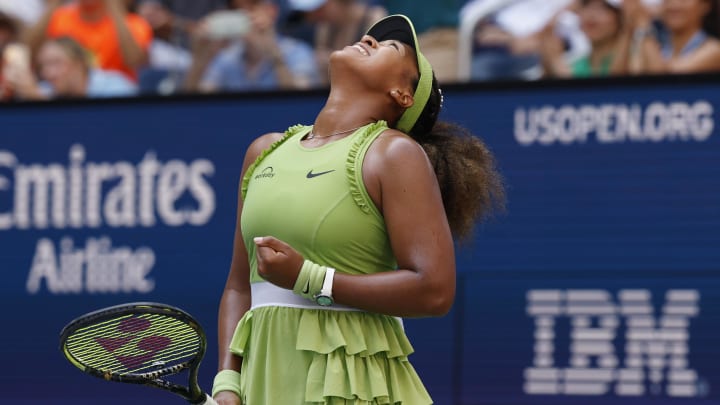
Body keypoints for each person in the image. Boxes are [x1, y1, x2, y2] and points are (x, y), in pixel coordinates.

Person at [211, 14, 505, 405]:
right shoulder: (264, 151)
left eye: (391, 46)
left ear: (402, 94)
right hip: (263, 383)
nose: (370, 39)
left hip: (354, 385)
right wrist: (228, 382)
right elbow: (239, 285)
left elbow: (434, 291)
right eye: (373, 36)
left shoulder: (394, 154)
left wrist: (310, 278)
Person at [184, 0, 320, 92]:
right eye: (235, 8)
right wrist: (199, 60)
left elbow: (300, 104)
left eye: (251, 5)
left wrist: (274, 54)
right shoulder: (226, 59)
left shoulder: (299, 52)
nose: (244, 12)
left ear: (271, 10)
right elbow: (195, 104)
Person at [25, 0, 153, 81]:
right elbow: (28, 52)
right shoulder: (60, 18)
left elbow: (135, 62)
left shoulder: (135, 23)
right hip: (69, 96)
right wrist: (53, 5)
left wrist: (116, 7)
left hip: (117, 99)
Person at [285, 0, 387, 85]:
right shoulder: (324, 27)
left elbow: (377, 71)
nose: (312, 17)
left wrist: (334, 61)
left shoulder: (374, 18)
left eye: (319, 9)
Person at [5, 36, 137, 100]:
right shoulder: (46, 90)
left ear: (79, 63)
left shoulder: (116, 86)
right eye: (43, 66)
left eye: (55, 63)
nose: (47, 73)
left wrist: (40, 100)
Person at [623, 0, 720, 74]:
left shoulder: (714, 50)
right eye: (668, 0)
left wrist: (643, 25)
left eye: (683, 0)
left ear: (705, 6)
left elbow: (665, 81)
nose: (674, 6)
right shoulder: (659, 49)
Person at [540, 0, 625, 78]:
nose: (592, 14)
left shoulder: (631, 58)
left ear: (620, 17)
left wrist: (556, 61)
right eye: (586, 5)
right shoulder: (576, 64)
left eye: (604, 7)